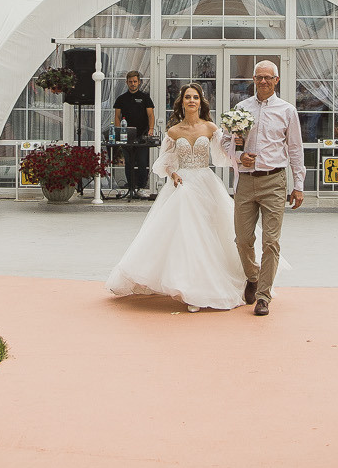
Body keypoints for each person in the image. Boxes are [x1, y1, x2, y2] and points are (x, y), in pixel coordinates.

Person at [105, 83, 249, 310]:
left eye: (196, 97)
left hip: (205, 182)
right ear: (181, 102)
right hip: (181, 184)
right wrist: (172, 174)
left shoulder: (211, 128)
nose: (192, 101)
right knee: (187, 236)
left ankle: (206, 286)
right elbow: (164, 163)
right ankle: (189, 289)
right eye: (188, 97)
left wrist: (236, 143)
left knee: (210, 234)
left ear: (201, 102)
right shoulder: (173, 132)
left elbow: (221, 159)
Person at [227, 60, 305, 315]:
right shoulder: (241, 108)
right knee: (243, 239)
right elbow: (225, 142)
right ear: (253, 79)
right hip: (246, 181)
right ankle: (252, 276)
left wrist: (299, 185)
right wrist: (239, 157)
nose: (263, 82)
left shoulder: (287, 110)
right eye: (259, 77)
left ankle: (263, 296)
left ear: (276, 81)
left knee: (271, 241)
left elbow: (295, 149)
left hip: (274, 180)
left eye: (268, 78)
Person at [112, 71, 157, 201]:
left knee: (142, 162)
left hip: (142, 135)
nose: (133, 84)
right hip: (127, 136)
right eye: (130, 82)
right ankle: (131, 187)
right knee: (129, 163)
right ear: (127, 82)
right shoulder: (121, 98)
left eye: (135, 81)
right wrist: (119, 131)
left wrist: (151, 129)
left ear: (139, 82)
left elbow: (151, 115)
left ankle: (141, 188)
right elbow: (117, 116)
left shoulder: (145, 97)